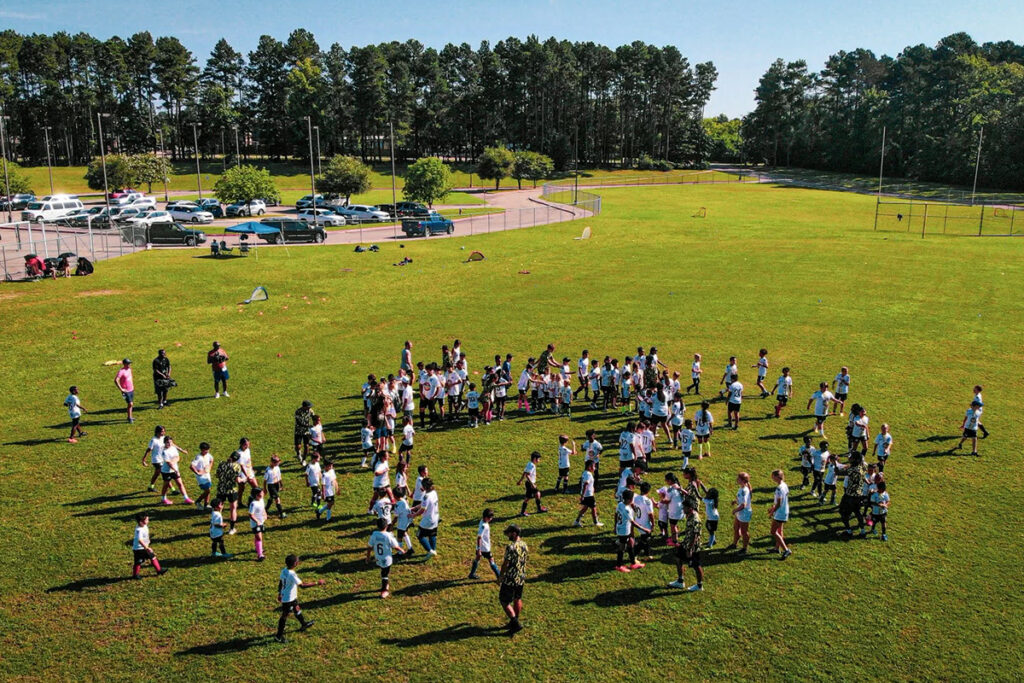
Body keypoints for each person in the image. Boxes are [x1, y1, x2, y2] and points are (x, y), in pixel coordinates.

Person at [275, 554, 325, 643]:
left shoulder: (284, 570)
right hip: (288, 599)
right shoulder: (292, 574)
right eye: (297, 561)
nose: (298, 562)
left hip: (289, 596)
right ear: (295, 564)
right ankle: (278, 636)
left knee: (296, 608)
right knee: (284, 616)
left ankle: (303, 624)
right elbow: (303, 585)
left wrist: (279, 593)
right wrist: (317, 583)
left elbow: (281, 582)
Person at [668, 498, 704, 591]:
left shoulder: (695, 519)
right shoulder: (690, 515)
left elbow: (694, 535)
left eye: (684, 507)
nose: (683, 509)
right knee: (678, 559)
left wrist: (690, 549)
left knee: (696, 565)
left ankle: (699, 586)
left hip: (693, 547)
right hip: (686, 543)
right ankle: (680, 581)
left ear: (690, 508)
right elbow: (690, 530)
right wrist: (680, 534)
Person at [499, 524, 529, 634]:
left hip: (510, 578)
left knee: (504, 601)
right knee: (517, 598)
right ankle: (515, 619)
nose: (507, 535)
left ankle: (515, 623)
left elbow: (505, 564)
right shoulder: (524, 545)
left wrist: (501, 576)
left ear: (514, 534)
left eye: (509, 533)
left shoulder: (511, 547)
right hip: (521, 577)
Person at [367, 518, 403, 598]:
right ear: (386, 526)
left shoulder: (374, 535)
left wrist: (368, 557)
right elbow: (395, 546)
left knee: (383, 571)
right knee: (385, 574)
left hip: (378, 558)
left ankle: (385, 584)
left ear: (377, 526)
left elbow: (369, 547)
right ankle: (384, 590)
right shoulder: (388, 536)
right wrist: (401, 550)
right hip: (387, 559)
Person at [614, 489, 648, 572]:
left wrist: (615, 525)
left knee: (630, 543)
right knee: (622, 547)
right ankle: (619, 565)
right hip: (624, 531)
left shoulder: (620, 504)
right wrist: (644, 529)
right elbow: (633, 523)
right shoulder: (627, 510)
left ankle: (633, 563)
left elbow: (616, 514)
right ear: (629, 500)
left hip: (621, 528)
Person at [835, 452, 867, 536]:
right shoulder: (862, 467)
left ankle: (848, 530)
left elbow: (837, 472)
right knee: (857, 512)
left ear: (855, 459)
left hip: (849, 495)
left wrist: (835, 463)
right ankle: (862, 530)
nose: (850, 458)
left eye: (851, 457)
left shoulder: (852, 470)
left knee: (842, 512)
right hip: (859, 495)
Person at [409, 477, 440, 558]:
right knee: (432, 534)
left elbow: (423, 509)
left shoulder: (426, 496)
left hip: (428, 519)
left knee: (419, 535)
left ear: (425, 487)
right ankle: (434, 550)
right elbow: (424, 504)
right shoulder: (434, 492)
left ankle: (430, 550)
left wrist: (414, 515)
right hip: (435, 517)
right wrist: (415, 508)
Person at [215, 451, 245, 535]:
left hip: (221, 488)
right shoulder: (237, 466)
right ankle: (232, 528)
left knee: (218, 508)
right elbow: (237, 480)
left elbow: (217, 475)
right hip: (232, 489)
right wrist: (243, 479)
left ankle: (217, 525)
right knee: (233, 508)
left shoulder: (221, 464)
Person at [131, 512, 167, 579]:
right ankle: (136, 574)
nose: (148, 521)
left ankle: (159, 570)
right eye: (147, 520)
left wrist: (148, 540)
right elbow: (140, 540)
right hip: (139, 549)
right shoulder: (139, 530)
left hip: (142, 548)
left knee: (148, 558)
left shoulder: (144, 526)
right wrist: (146, 547)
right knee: (140, 561)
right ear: (141, 522)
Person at [159, 436, 193, 505]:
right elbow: (168, 463)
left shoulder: (173, 448)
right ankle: (163, 499)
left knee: (180, 483)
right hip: (166, 471)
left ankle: (186, 498)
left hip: (174, 470)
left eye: (170, 442)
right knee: (166, 485)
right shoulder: (164, 451)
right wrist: (175, 469)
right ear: (164, 442)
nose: (169, 444)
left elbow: (177, 457)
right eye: (167, 442)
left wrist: (173, 462)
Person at [469, 508, 501, 580]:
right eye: (490, 518)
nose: (491, 519)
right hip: (485, 548)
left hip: (481, 547)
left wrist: (478, 549)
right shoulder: (484, 526)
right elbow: (479, 537)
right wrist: (479, 549)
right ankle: (499, 576)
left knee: (477, 558)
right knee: (491, 560)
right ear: (486, 517)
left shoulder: (482, 521)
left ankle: (472, 574)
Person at [768, 469, 792, 559]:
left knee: (773, 531)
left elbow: (779, 503)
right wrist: (773, 508)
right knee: (779, 531)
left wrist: (772, 511)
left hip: (780, 513)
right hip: (784, 511)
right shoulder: (784, 485)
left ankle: (786, 550)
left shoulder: (779, 488)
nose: (772, 478)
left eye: (773, 476)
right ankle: (776, 548)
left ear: (777, 477)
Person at [726, 472, 752, 553]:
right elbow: (741, 500)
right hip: (740, 511)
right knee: (736, 528)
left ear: (743, 481)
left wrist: (735, 510)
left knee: (744, 531)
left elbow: (744, 505)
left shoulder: (744, 490)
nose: (737, 479)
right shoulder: (742, 488)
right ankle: (734, 544)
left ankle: (744, 548)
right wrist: (736, 501)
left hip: (744, 513)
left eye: (739, 479)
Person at [518, 451, 548, 516]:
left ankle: (537, 509)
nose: (539, 460)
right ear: (535, 458)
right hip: (530, 484)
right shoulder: (532, 466)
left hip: (529, 483)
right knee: (530, 497)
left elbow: (524, 472)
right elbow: (527, 475)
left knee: (536, 494)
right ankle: (523, 512)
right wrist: (532, 484)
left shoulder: (529, 463)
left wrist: (520, 480)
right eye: (538, 459)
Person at [573, 460, 602, 527]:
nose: (594, 468)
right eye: (593, 466)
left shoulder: (585, 473)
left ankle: (577, 521)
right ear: (589, 467)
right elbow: (586, 484)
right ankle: (596, 522)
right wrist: (582, 495)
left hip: (587, 494)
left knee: (585, 507)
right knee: (593, 508)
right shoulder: (588, 475)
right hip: (588, 495)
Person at [189, 442, 214, 510]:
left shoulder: (208, 455)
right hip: (201, 477)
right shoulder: (198, 457)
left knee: (208, 489)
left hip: (207, 475)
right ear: (202, 450)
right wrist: (197, 473)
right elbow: (191, 466)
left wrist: (209, 467)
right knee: (207, 491)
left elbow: (211, 460)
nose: (207, 451)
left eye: (208, 450)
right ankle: (198, 501)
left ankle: (206, 504)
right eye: (206, 450)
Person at [144, 425, 167, 493]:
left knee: (157, 473)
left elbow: (172, 444)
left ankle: (151, 487)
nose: (163, 433)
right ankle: (173, 489)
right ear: (157, 432)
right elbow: (148, 450)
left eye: (164, 431)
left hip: (162, 459)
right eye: (162, 431)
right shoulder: (153, 440)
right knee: (164, 473)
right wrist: (144, 459)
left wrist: (181, 450)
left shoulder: (164, 438)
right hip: (156, 460)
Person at [249, 488, 268, 561]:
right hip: (255, 524)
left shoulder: (261, 500)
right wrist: (257, 521)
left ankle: (258, 548)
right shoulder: (253, 504)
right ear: (256, 495)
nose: (263, 494)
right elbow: (251, 514)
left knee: (258, 537)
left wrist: (265, 514)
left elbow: (263, 508)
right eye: (261, 493)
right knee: (259, 537)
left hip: (261, 521)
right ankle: (260, 555)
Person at [114, 358, 135, 423]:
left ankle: (129, 417)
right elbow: (116, 380)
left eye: (130, 363)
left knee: (131, 404)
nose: (129, 364)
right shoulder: (121, 371)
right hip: (126, 391)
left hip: (131, 389)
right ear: (124, 364)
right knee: (130, 404)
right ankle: (129, 418)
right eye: (128, 363)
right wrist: (121, 389)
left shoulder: (129, 369)